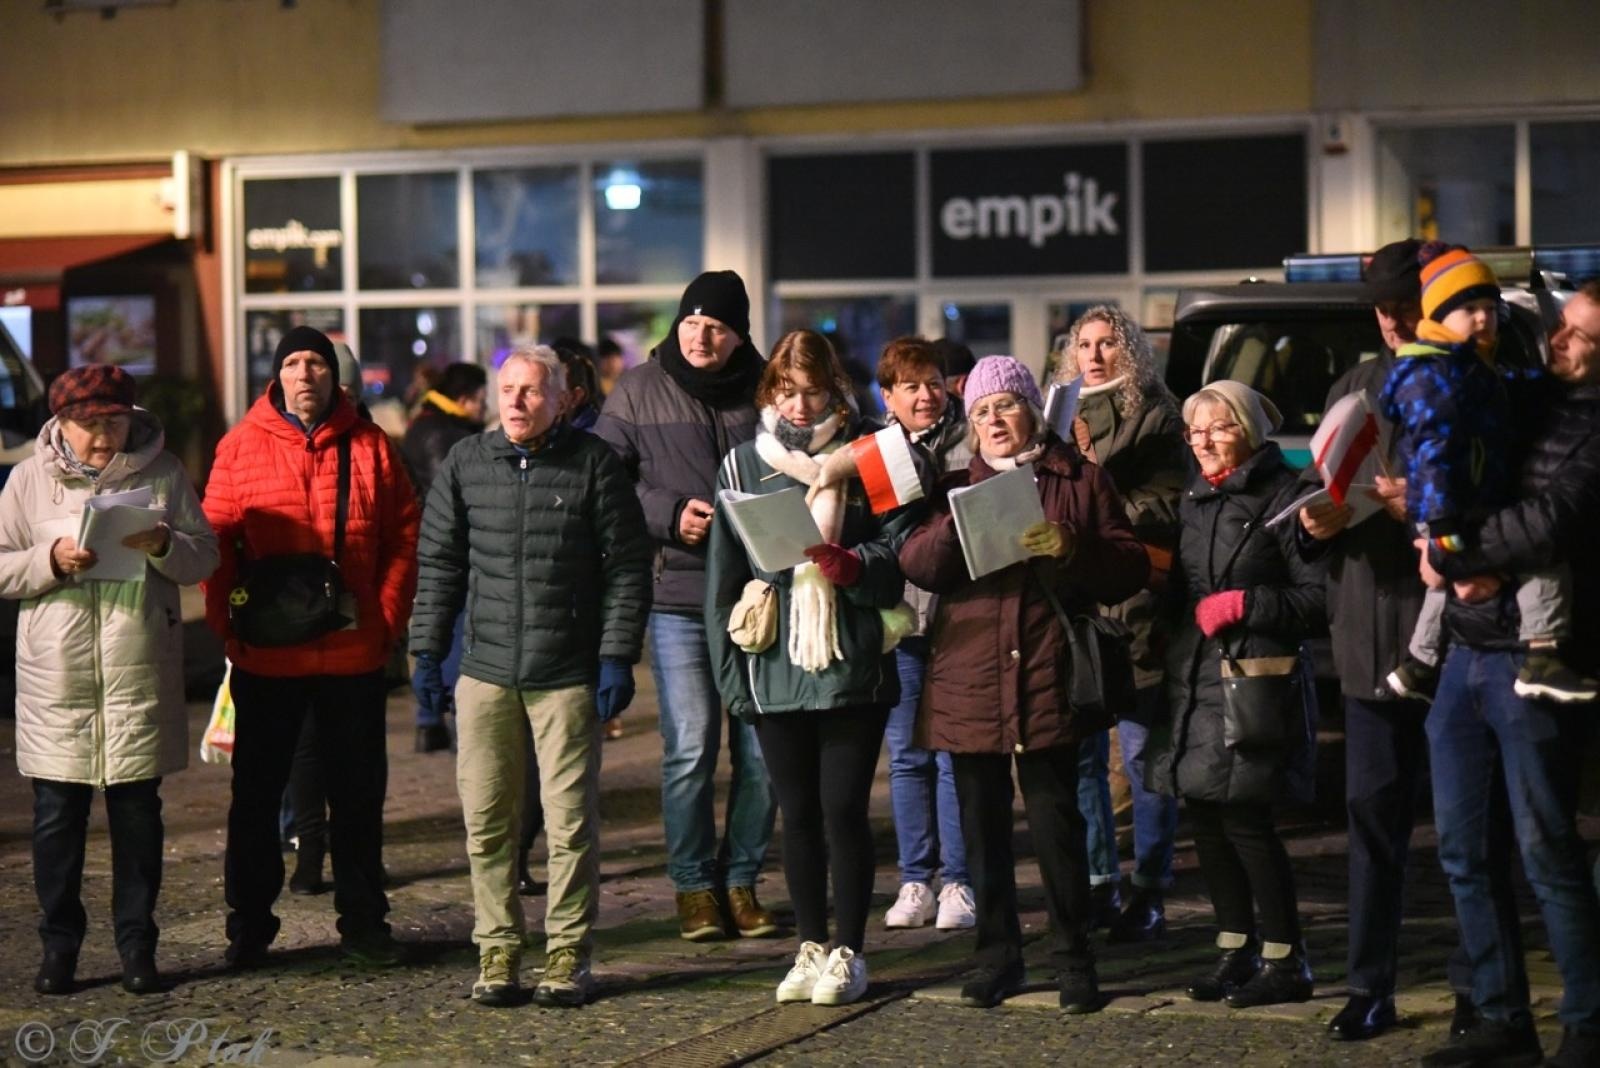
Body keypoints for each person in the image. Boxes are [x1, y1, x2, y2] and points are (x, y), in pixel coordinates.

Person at [900, 355, 1148, 1013]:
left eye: (1005, 406)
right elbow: (917, 563)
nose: (994, 420)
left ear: (1031, 410)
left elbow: (1128, 566)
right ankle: (996, 957)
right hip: (970, 676)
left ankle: (1073, 959)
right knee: (981, 831)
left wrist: (1071, 545)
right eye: (981, 411)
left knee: (1056, 825)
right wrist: (959, 523)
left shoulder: (1079, 478)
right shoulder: (955, 484)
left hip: (1047, 671)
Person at [412, 344, 650, 1008]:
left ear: (564, 398)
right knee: (487, 818)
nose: (515, 401)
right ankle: (497, 950)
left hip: (566, 672)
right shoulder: (466, 462)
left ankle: (568, 949)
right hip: (485, 670)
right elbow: (439, 566)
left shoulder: (594, 465)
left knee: (570, 821)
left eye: (531, 390)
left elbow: (626, 569)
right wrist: (426, 655)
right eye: (506, 388)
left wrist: (613, 656)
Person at [1295, 238, 1485, 1042]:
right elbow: (1319, 486)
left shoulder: (1482, 389)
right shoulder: (1356, 384)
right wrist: (1316, 519)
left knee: (1473, 833)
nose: (1392, 322)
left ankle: (1484, 987)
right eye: (1383, 310)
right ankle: (1370, 985)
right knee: (1371, 830)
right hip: (1369, 639)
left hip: (1463, 640)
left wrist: (1428, 509)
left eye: (1406, 309)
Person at [1411, 283, 1600, 1068]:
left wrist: (1466, 556)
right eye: (1560, 327)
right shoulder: (1527, 398)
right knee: (1460, 848)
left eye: (1580, 335)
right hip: (1466, 650)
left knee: (1546, 846)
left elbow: (1557, 515)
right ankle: (1498, 1012)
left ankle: (1587, 1024)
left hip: (1531, 654)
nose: (1558, 340)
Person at [705, 330, 920, 1006]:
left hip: (851, 654)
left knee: (842, 809)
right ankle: (810, 944)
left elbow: (902, 551)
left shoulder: (874, 455)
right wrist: (729, 677)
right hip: (773, 661)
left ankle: (849, 951)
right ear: (769, 392)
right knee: (795, 812)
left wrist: (855, 566)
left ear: (837, 391)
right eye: (787, 392)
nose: (800, 407)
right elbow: (723, 575)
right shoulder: (743, 464)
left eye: (814, 392)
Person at [203, 325, 420, 970]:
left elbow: (404, 535)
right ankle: (248, 926)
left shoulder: (371, 445)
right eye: (293, 363)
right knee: (256, 797)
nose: (305, 375)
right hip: (267, 658)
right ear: (277, 376)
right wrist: (228, 627)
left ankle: (364, 923)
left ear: (334, 376)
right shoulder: (240, 447)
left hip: (352, 653)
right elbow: (216, 546)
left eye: (316, 364)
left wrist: (384, 617)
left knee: (358, 797)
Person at [3, 365, 218, 996]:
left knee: (137, 818)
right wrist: (49, 559)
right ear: (62, 423)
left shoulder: (163, 473)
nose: (103, 437)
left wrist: (162, 544)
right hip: (57, 679)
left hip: (136, 670)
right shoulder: (26, 480)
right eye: (90, 425)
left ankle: (136, 947)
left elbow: (204, 555)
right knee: (55, 821)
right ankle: (59, 948)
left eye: (114, 422)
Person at [595, 270, 779, 941]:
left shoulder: (767, 391)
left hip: (759, 598)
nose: (702, 336)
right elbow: (606, 477)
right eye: (693, 322)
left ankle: (742, 879)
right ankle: (694, 885)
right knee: (692, 746)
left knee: (762, 752)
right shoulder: (640, 390)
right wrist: (670, 515)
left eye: (719, 326)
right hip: (676, 595)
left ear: (739, 335)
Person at [1148, 380, 1324, 1009]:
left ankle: (1286, 957)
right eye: (1194, 432)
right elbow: (1184, 590)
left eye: (1217, 428)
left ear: (1247, 429)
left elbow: (1318, 599)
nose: (1204, 443)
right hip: (1196, 678)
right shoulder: (1196, 500)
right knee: (1208, 821)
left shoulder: (1285, 493)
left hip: (1256, 681)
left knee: (1248, 822)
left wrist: (1247, 603)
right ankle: (1236, 950)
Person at [1382, 244, 1594, 703]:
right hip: (1453, 508)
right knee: (1546, 572)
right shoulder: (1439, 375)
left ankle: (1420, 663)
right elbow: (1434, 451)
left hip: (1459, 515)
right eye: (1468, 310)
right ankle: (1540, 655)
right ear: (1438, 317)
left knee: (1447, 584)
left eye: (1489, 309)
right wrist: (1442, 533)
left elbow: (1547, 521)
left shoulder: (1472, 369)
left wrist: (1450, 556)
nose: (1483, 320)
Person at [1054, 306, 1187, 942]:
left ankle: (1150, 886)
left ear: (1130, 350)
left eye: (1109, 343)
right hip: (1076, 607)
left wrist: (1096, 483)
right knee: (1081, 755)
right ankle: (1100, 880)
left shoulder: (1159, 414)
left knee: (1144, 756)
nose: (1097, 355)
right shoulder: (1057, 415)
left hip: (1138, 605)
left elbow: (1169, 505)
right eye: (1086, 344)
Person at [872, 336, 975, 931]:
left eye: (933, 382)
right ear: (888, 396)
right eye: (910, 385)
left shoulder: (973, 440)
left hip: (961, 616)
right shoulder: (876, 450)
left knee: (952, 755)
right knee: (907, 753)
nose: (925, 395)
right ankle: (916, 880)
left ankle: (959, 882)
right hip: (903, 619)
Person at [401, 361, 490, 754]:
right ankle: (447, 714)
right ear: (465, 398)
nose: (485, 408)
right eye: (482, 400)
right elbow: (449, 493)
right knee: (451, 627)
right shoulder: (443, 433)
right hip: (447, 545)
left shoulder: (429, 422)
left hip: (433, 541)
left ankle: (429, 719)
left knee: (437, 625)